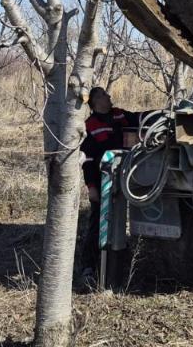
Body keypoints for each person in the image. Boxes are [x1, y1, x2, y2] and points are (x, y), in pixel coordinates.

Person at [79, 86, 134, 284]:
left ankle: (119, 263)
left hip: (125, 178)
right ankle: (88, 267)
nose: (108, 96)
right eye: (103, 94)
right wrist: (91, 186)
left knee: (119, 222)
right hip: (102, 180)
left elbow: (138, 118)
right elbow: (88, 159)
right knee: (98, 223)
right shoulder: (90, 125)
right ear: (94, 102)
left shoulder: (120, 115)